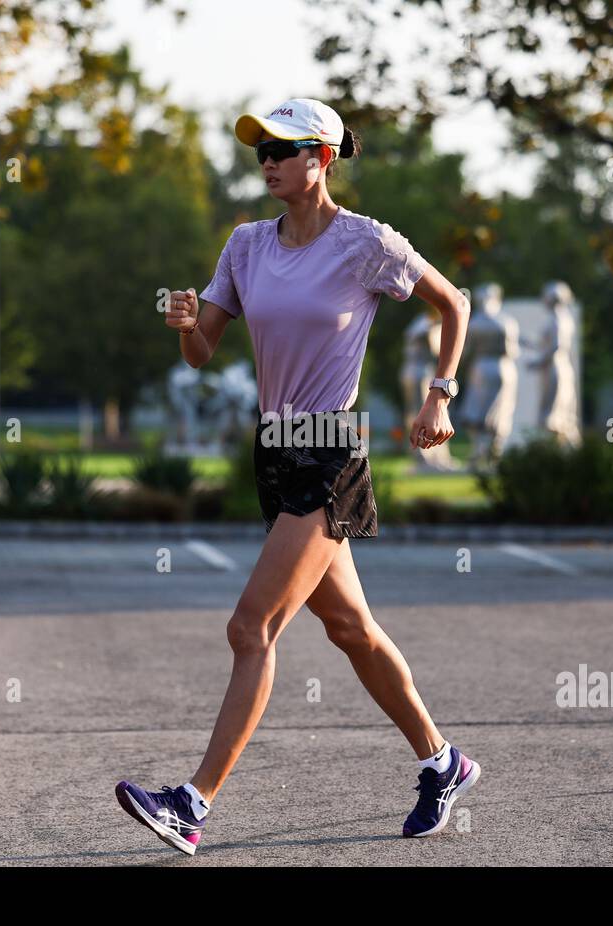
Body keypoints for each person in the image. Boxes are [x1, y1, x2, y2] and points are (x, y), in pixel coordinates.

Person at [115, 97, 477, 856]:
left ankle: (191, 803)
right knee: (350, 629)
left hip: (331, 453)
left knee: (251, 627)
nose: (268, 162)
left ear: (324, 157)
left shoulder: (366, 244)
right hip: (274, 451)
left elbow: (455, 304)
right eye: (260, 152)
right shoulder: (245, 246)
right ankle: (443, 763)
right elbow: (202, 352)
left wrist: (438, 396)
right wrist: (186, 323)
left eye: (283, 148)